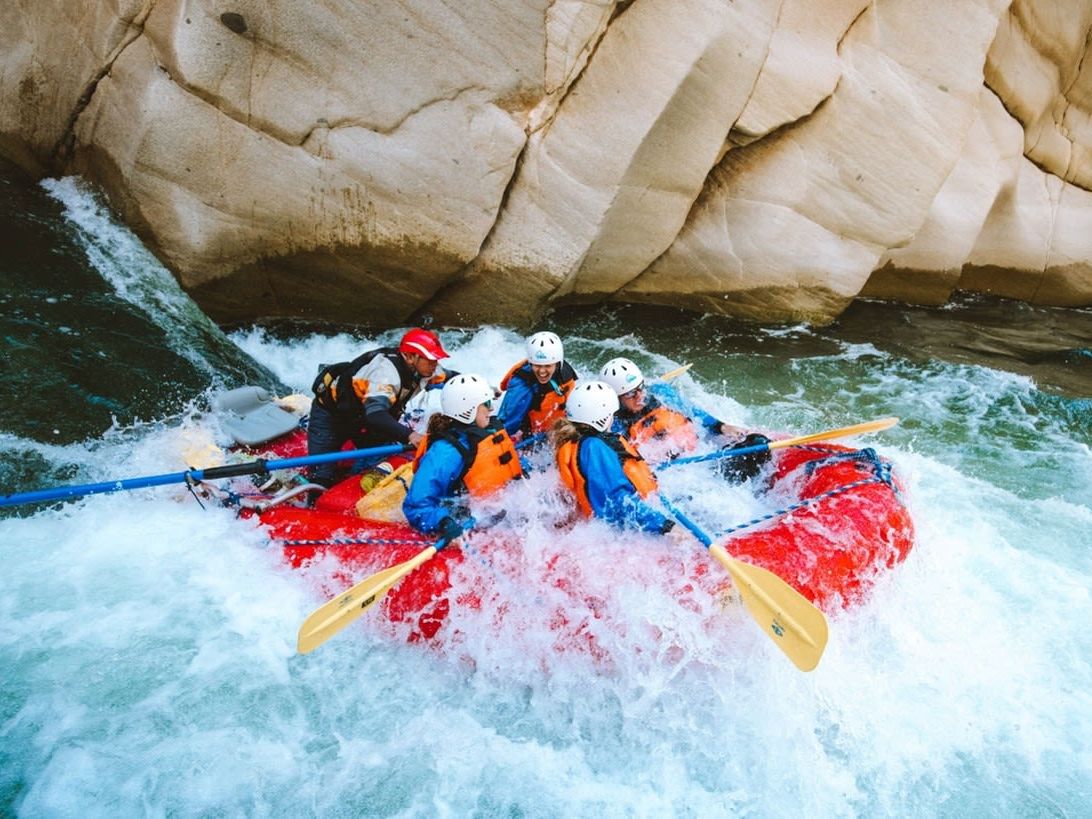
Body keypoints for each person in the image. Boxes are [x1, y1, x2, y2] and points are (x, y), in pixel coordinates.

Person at [306, 327, 451, 487]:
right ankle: (318, 492)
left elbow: (451, 377)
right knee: (320, 478)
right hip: (332, 416)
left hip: (364, 419)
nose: (435, 364)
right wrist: (411, 435)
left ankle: (351, 483)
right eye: (431, 360)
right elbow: (375, 414)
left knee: (376, 463)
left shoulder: (425, 369)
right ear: (410, 357)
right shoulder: (385, 373)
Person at [598, 357, 771, 483]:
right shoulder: (613, 426)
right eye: (630, 393)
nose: (640, 396)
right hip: (675, 480)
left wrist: (721, 426)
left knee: (758, 444)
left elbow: (693, 411)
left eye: (640, 388)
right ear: (615, 398)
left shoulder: (659, 392)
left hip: (703, 461)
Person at [403, 373, 523, 540]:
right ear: (469, 409)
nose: (491, 409)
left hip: (498, 511)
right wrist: (444, 522)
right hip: (463, 516)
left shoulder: (486, 431)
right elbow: (416, 505)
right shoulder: (445, 453)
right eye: (486, 404)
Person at [553, 380, 675, 535]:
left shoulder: (577, 440)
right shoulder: (595, 448)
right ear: (602, 416)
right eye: (612, 414)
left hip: (600, 527)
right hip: (623, 530)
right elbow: (618, 502)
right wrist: (665, 526)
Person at [496, 331, 579, 440]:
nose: (542, 371)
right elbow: (507, 423)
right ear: (531, 363)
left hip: (554, 431)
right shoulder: (522, 385)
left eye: (547, 366)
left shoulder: (565, 375)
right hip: (528, 435)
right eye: (537, 365)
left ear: (558, 363)